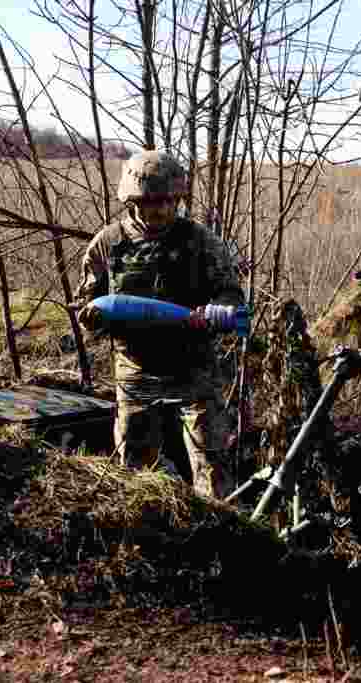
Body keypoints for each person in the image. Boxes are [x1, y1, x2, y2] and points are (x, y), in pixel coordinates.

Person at [74, 149, 245, 498]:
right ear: (133, 200)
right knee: (136, 470)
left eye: (171, 201)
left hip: (193, 368)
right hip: (136, 371)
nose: (163, 209)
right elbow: (89, 306)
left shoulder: (200, 241)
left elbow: (231, 295)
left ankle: (221, 534)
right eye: (153, 202)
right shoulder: (109, 245)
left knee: (212, 463)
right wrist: (92, 320)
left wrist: (217, 314)